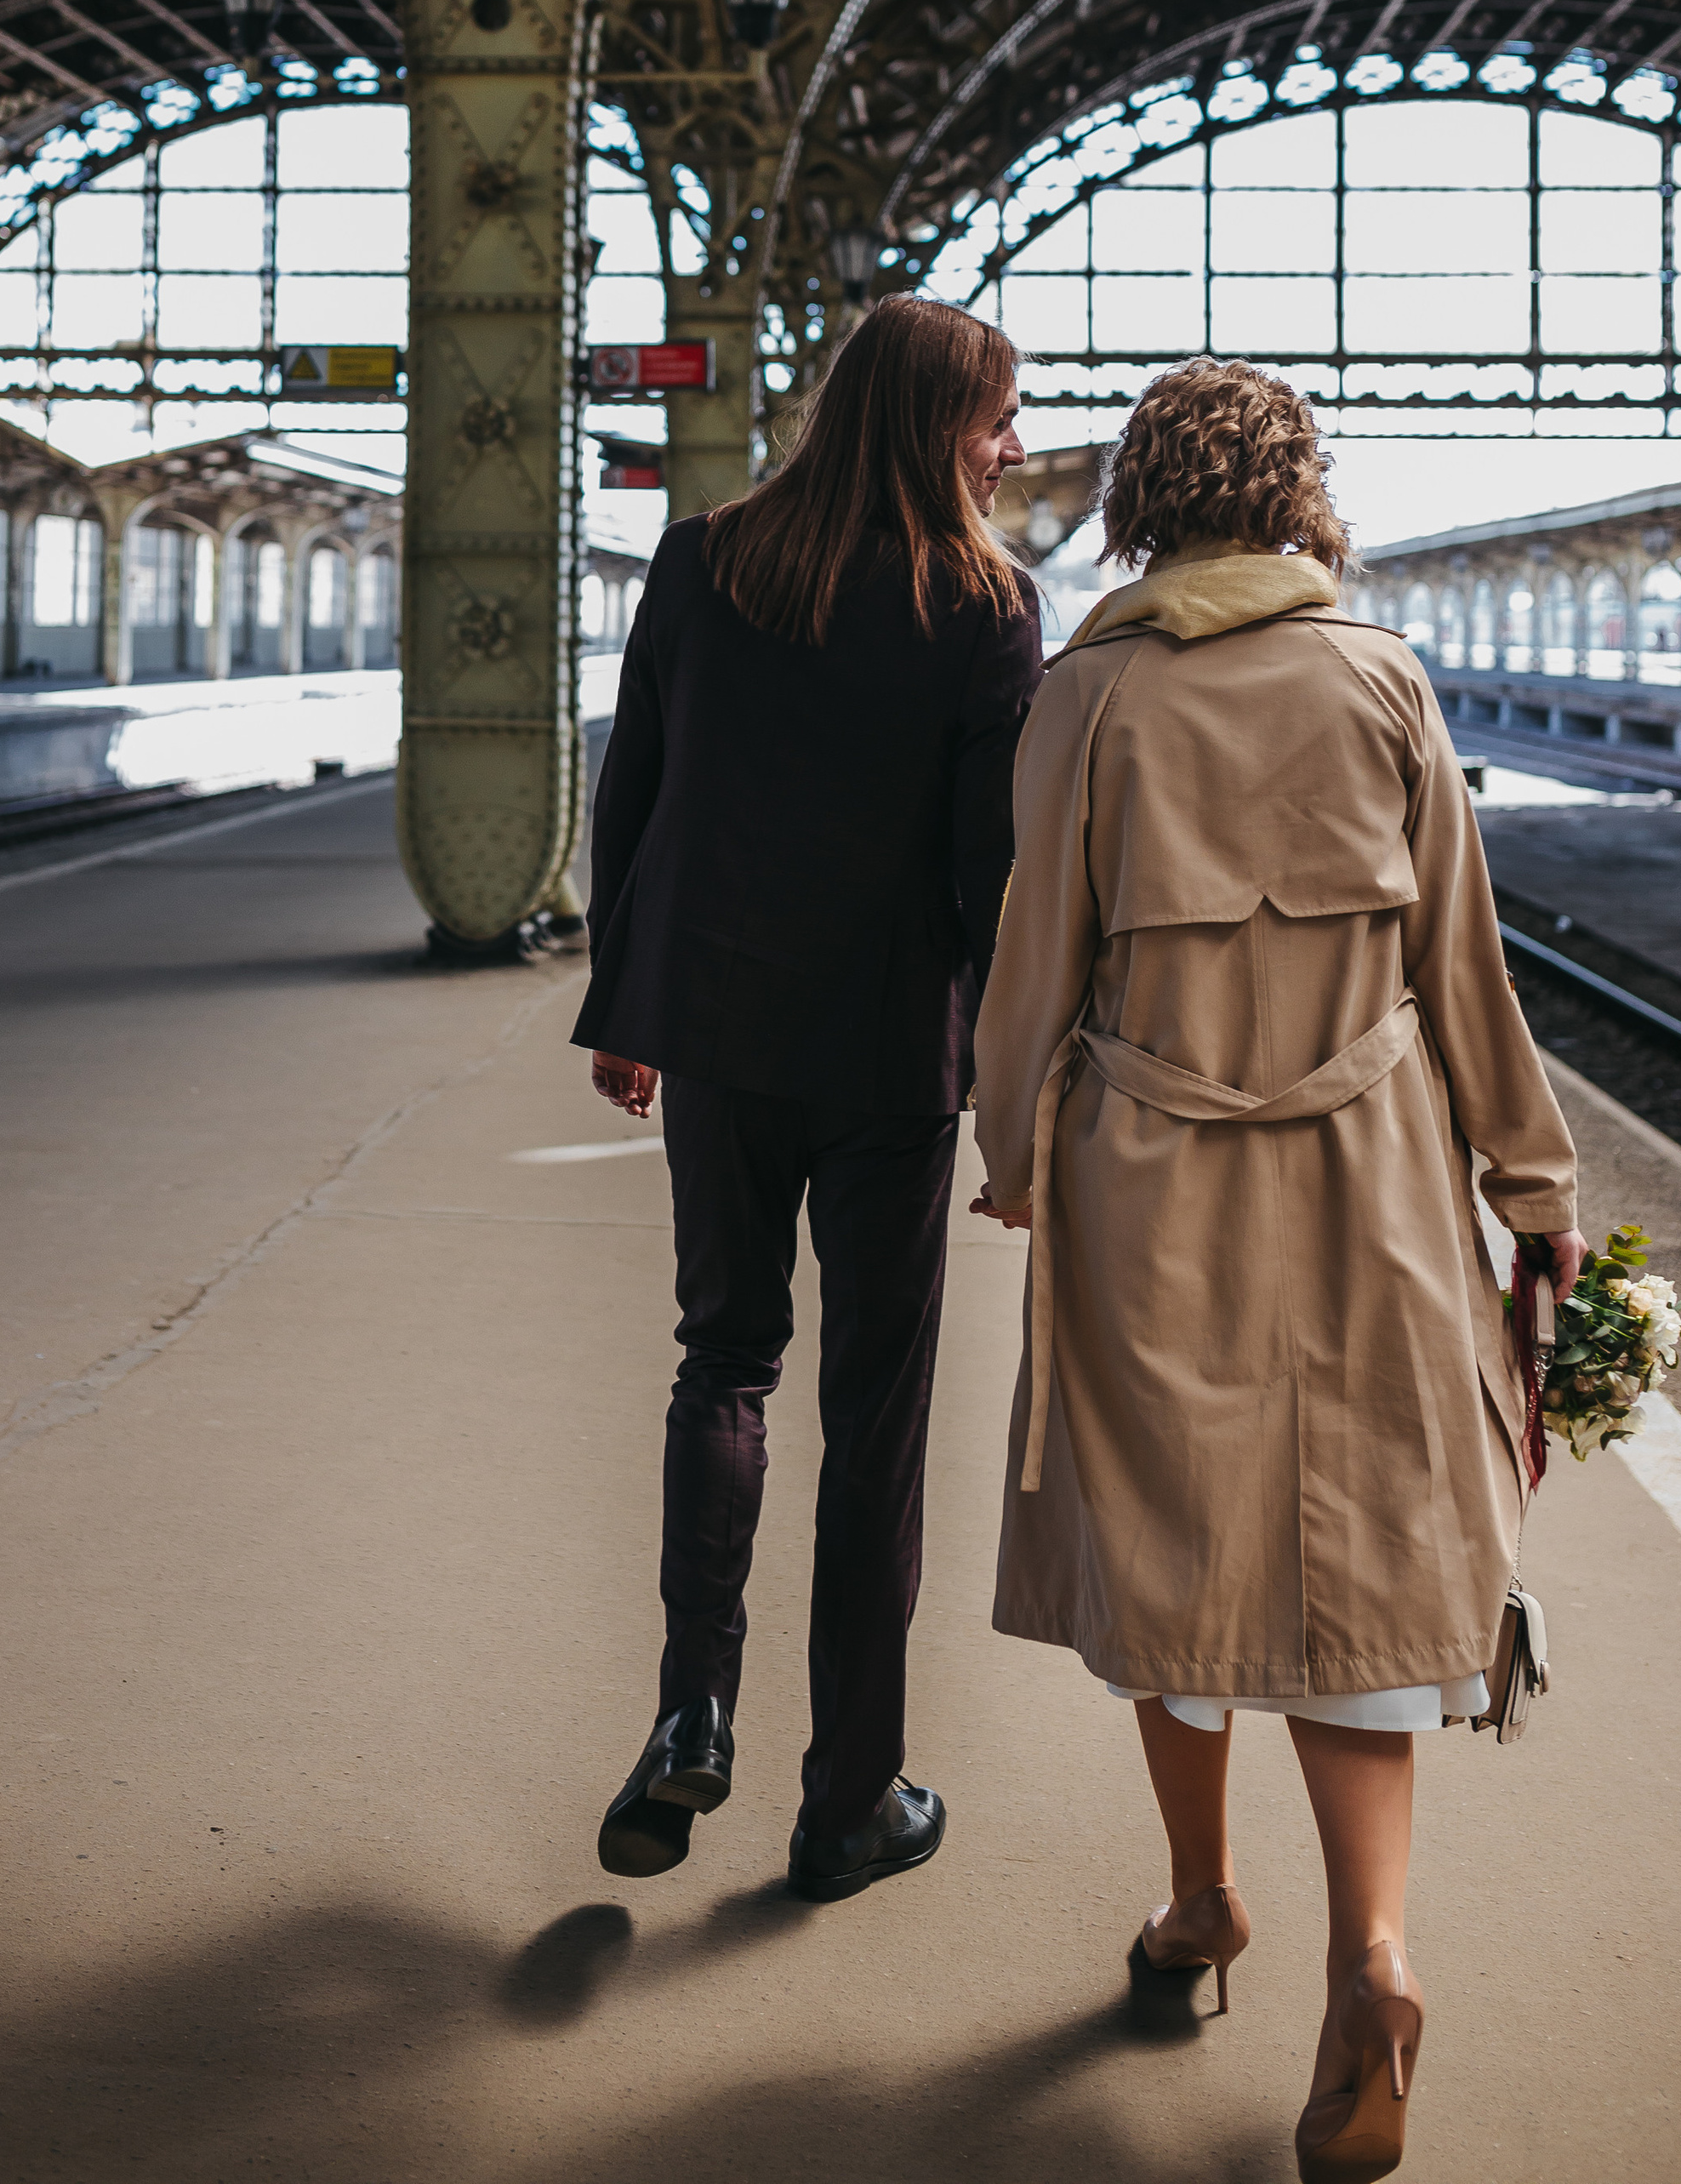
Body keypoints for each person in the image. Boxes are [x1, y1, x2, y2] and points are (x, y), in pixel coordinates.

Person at [970, 357, 1580, 2183]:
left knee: (1173, 1549)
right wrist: (1528, 1186)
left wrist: (1011, 1157)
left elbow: (1032, 959)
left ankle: (1196, 1906)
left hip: (1148, 1181)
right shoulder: (1379, 678)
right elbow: (1463, 969)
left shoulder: (1088, 695)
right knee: (1359, 1558)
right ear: (1299, 493)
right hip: (1371, 1184)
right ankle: (1372, 1959)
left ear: (1142, 495)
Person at [575, 294, 1041, 1901]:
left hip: (714, 1028)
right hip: (888, 1055)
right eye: (1000, 418)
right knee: (875, 1426)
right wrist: (1012, 1084)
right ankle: (849, 1800)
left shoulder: (709, 560)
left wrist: (622, 1002)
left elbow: (635, 782)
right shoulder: (986, 604)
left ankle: (690, 1711)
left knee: (724, 1360)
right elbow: (992, 876)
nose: (1018, 445)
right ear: (938, 426)